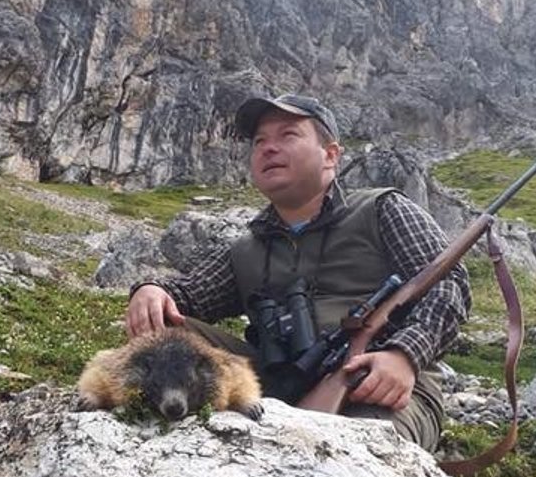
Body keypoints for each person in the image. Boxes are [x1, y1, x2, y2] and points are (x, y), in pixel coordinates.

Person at [126, 92, 471, 452]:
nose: (268, 148)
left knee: (355, 453)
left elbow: (448, 284)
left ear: (331, 156)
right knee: (163, 327)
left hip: (379, 384)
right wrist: (150, 290)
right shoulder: (245, 248)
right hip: (272, 381)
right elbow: (186, 296)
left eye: (288, 135)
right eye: (260, 141)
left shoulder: (384, 210)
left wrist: (404, 355)